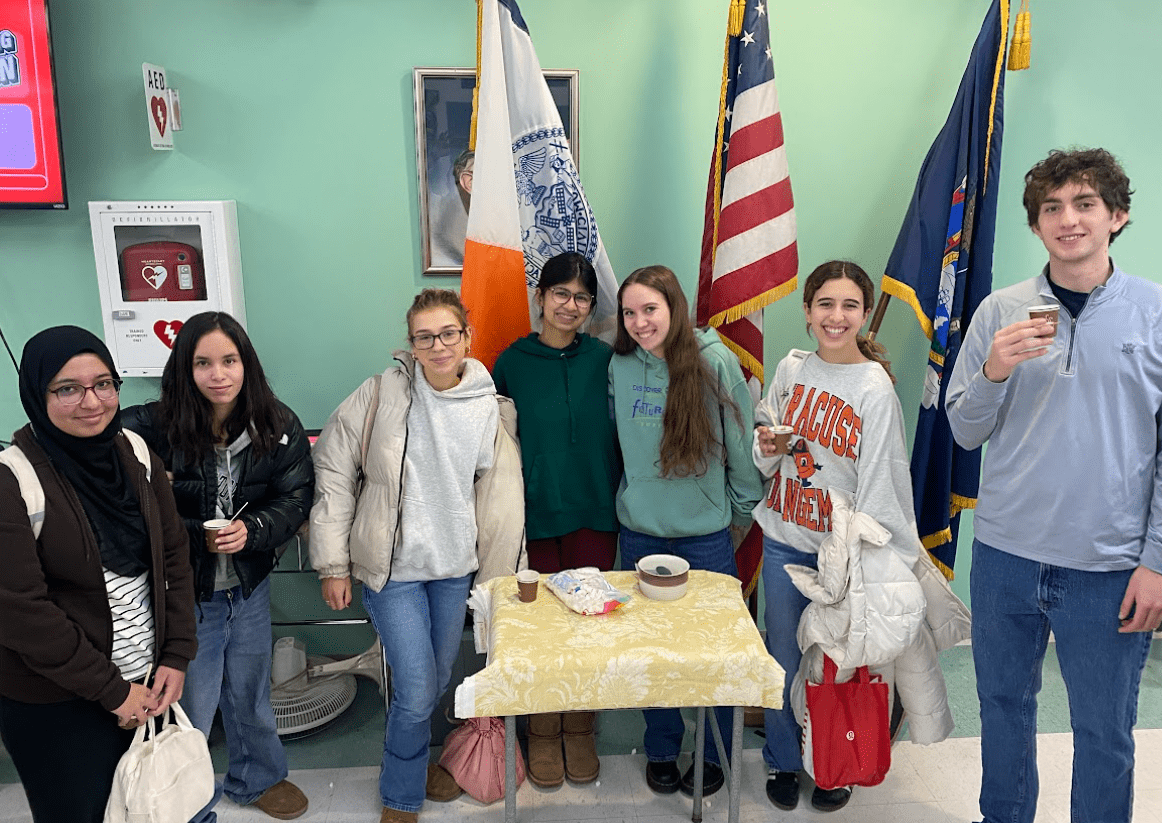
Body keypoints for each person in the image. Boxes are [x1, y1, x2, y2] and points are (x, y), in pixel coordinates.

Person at [946, 147, 1162, 823]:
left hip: (1108, 565)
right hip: (1005, 558)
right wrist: (993, 372)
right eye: (1052, 207)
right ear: (1036, 224)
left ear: (1116, 216)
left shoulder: (1154, 312)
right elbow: (964, 431)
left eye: (1084, 204)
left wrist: (1156, 561)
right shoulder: (1000, 311)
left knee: (1104, 728)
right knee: (1002, 709)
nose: (1068, 219)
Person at [309, 288, 525, 823]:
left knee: (437, 680)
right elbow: (334, 470)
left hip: (453, 570)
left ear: (467, 337)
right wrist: (333, 564)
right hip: (394, 572)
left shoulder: (487, 405)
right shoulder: (381, 394)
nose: (438, 346)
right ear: (411, 344)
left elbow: (498, 496)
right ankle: (401, 793)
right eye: (424, 337)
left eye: (448, 333)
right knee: (417, 689)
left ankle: (415, 765)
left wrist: (500, 577)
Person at [0, 326, 198, 823]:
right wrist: (112, 691)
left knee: (146, 806)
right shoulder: (12, 480)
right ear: (37, 393)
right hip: (57, 699)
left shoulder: (133, 453)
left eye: (104, 384)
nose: (92, 402)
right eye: (68, 388)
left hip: (144, 680)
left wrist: (176, 653)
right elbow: (21, 612)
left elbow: (173, 555)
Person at [122, 311, 314, 822]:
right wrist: (160, 493)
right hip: (186, 592)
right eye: (203, 363)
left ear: (246, 363)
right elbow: (108, 481)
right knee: (193, 704)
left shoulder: (277, 423)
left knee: (250, 693)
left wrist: (254, 529)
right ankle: (186, 804)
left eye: (229, 360)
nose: (218, 374)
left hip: (248, 587)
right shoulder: (150, 426)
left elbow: (295, 497)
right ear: (185, 369)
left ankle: (258, 778)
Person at [751, 261, 924, 812]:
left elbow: (883, 482)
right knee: (783, 658)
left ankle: (833, 763)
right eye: (825, 304)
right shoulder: (791, 369)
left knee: (836, 665)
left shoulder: (875, 389)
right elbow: (765, 444)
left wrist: (864, 561)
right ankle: (783, 758)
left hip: (840, 559)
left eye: (850, 305)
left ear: (865, 314)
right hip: (784, 540)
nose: (836, 316)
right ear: (807, 312)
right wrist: (767, 445)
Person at [608, 265, 764, 798]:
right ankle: (661, 747)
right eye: (629, 313)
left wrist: (739, 513)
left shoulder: (714, 360)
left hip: (705, 536)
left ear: (674, 307)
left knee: (715, 651)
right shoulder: (620, 365)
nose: (639, 322)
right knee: (652, 651)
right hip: (641, 534)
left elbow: (740, 443)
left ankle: (715, 751)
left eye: (649, 309)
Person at [492, 251, 620, 787]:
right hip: (535, 513)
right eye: (561, 293)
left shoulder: (607, 359)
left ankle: (579, 727)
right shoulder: (510, 362)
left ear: (591, 306)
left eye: (582, 297)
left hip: (596, 510)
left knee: (590, 624)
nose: (570, 305)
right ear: (540, 297)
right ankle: (542, 729)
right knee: (541, 627)